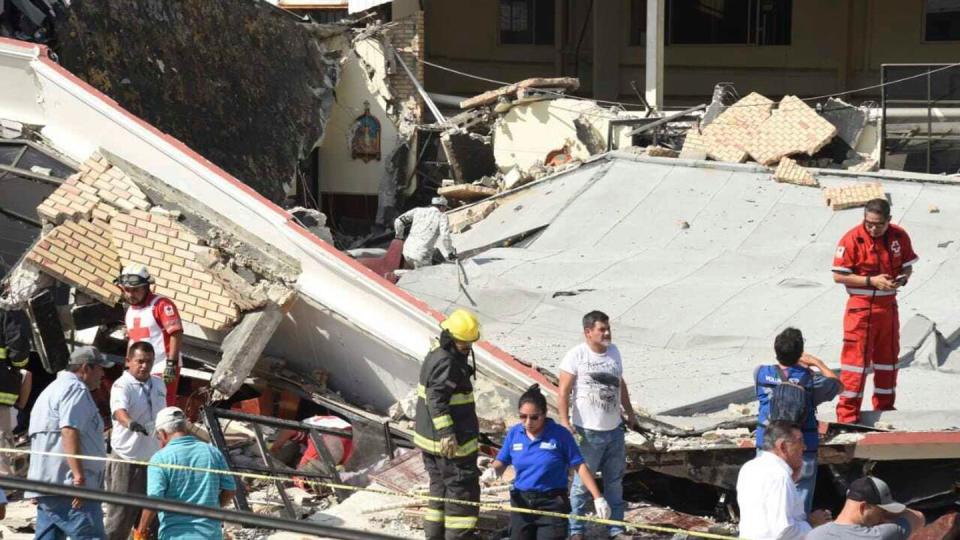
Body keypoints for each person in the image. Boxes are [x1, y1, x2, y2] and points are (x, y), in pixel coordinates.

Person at [482, 384, 610, 540]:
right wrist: (493, 470)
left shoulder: (560, 435)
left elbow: (579, 465)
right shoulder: (515, 433)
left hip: (551, 502)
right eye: (523, 416)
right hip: (522, 502)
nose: (528, 422)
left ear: (544, 414)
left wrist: (598, 497)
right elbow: (502, 460)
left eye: (534, 417)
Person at [831, 198, 918, 424]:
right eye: (869, 223)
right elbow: (839, 275)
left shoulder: (899, 236)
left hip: (888, 309)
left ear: (888, 220)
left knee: (887, 362)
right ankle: (847, 417)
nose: (872, 228)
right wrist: (871, 281)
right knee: (855, 365)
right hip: (860, 310)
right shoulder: (851, 239)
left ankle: (885, 411)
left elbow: (908, 266)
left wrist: (903, 278)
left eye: (878, 224)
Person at [558, 310, 639, 540]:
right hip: (588, 431)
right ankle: (576, 530)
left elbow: (620, 383)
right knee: (583, 484)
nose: (606, 333)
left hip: (614, 430)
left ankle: (616, 528)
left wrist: (630, 413)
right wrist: (565, 422)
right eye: (601, 329)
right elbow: (563, 391)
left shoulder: (614, 352)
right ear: (588, 332)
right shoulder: (576, 355)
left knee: (614, 482)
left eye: (608, 328)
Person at [26, 346, 116, 540]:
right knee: (92, 536)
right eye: (100, 368)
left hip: (49, 484)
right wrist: (79, 479)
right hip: (70, 487)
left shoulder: (51, 390)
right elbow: (69, 431)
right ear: (86, 368)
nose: (103, 373)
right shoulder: (75, 389)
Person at [755, 327, 842, 513]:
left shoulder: (761, 373)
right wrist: (817, 363)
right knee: (799, 505)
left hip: (767, 443)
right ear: (800, 353)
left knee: (766, 499)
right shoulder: (811, 381)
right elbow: (838, 385)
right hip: (803, 446)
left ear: (776, 351)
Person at [415, 309, 482, 540]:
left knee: (440, 491)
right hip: (451, 444)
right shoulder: (449, 362)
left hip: (430, 440)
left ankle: (434, 537)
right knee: (461, 493)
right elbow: (437, 399)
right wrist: (447, 433)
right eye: (465, 342)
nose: (468, 346)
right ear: (453, 337)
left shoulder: (437, 352)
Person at [136, 406, 236, 540]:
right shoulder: (212, 452)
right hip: (211, 534)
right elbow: (230, 490)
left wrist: (141, 530)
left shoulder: (160, 459)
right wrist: (214, 507)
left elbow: (155, 499)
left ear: (163, 433)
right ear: (185, 427)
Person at [104, 341, 166, 540]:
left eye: (149, 361)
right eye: (139, 361)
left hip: (153, 459)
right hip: (127, 459)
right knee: (120, 517)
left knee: (150, 518)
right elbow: (119, 412)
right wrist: (131, 424)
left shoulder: (158, 384)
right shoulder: (122, 385)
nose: (144, 366)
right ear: (128, 361)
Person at [737, 421, 832, 540]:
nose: (804, 447)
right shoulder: (779, 476)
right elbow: (783, 531)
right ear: (782, 446)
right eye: (800, 441)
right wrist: (811, 523)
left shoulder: (749, 467)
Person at [116, 264, 184, 406]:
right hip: (138, 368)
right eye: (126, 290)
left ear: (146, 287)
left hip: (161, 367)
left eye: (135, 290)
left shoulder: (161, 305)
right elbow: (132, 341)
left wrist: (171, 364)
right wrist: (128, 365)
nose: (130, 294)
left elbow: (176, 333)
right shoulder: (130, 311)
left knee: (160, 406)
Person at [806, 476, 924, 540]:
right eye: (881, 511)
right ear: (863, 507)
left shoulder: (813, 535)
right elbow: (919, 517)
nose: (882, 517)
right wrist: (890, 515)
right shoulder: (880, 535)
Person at [0, 306, 32, 476]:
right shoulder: (5, 313)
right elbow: (18, 352)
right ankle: (3, 490)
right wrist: (18, 366)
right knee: (1, 448)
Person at [394, 196, 456, 269]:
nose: (445, 210)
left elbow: (398, 221)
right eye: (445, 208)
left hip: (406, 252)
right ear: (442, 207)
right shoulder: (442, 216)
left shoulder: (417, 210)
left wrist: (399, 237)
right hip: (422, 257)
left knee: (434, 252)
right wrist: (450, 252)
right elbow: (445, 236)